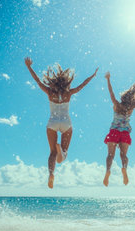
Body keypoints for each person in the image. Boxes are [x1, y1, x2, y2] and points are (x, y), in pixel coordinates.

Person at [25, 57, 98, 188]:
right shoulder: (68, 93)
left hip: (52, 122)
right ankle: (62, 153)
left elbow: (37, 80)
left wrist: (29, 66)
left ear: (54, 82)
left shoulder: (49, 91)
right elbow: (82, 85)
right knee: (64, 153)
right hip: (66, 122)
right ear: (65, 82)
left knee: (52, 152)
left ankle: (51, 173)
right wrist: (93, 75)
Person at [103, 71, 135, 186]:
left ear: (122, 97)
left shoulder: (117, 105)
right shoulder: (131, 108)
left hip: (114, 131)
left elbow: (111, 93)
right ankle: (124, 168)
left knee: (110, 155)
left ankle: (108, 171)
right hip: (125, 133)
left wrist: (108, 79)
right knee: (123, 155)